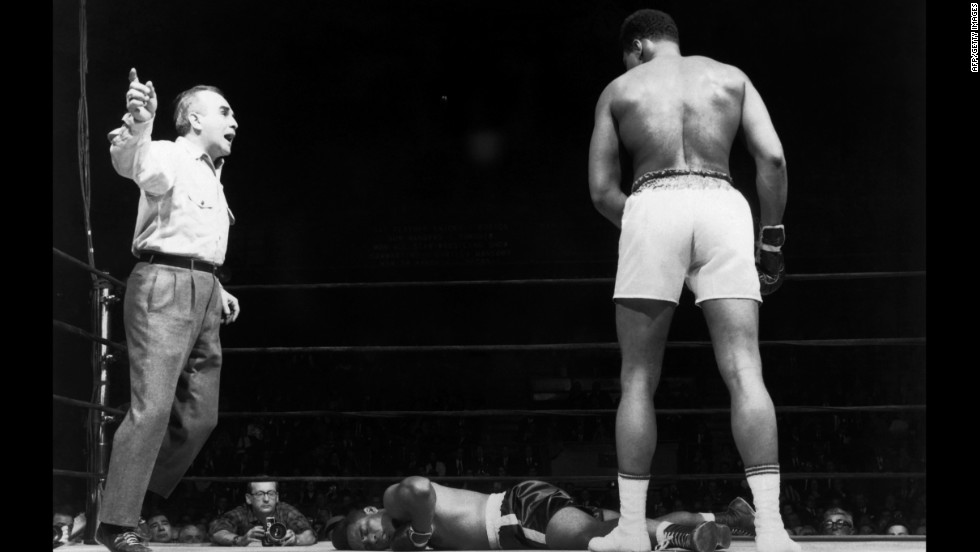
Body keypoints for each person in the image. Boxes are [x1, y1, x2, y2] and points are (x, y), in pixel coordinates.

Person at [586, 9, 796, 552]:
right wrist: (770, 241)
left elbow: (602, 190)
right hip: (724, 205)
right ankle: (771, 529)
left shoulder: (620, 88)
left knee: (637, 378)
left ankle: (631, 531)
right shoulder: (731, 77)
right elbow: (771, 157)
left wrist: (649, 231)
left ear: (637, 47)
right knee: (745, 369)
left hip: (652, 200)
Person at [96, 68, 241, 552]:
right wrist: (140, 123)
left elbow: (195, 237)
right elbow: (135, 163)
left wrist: (213, 285)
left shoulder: (211, 174)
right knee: (152, 407)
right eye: (224, 111)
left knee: (201, 416)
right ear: (193, 119)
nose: (234, 120)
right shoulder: (171, 154)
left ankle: (133, 493)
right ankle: (117, 521)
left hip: (202, 289)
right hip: (163, 284)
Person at [330, 476, 757, 552]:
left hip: (514, 515)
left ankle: (675, 537)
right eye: (363, 544)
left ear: (371, 511)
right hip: (522, 510)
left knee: (595, 540)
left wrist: (421, 537)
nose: (369, 539)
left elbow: (419, 487)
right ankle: (727, 519)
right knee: (615, 527)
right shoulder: (404, 533)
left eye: (364, 529)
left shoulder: (395, 504)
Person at [209, 480, 317, 546]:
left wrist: (297, 540)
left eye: (271, 493)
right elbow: (217, 532)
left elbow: (310, 534)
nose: (266, 499)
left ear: (277, 497)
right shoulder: (242, 512)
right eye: (260, 494)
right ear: (249, 498)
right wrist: (240, 540)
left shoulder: (285, 510)